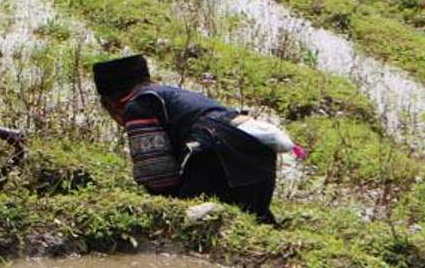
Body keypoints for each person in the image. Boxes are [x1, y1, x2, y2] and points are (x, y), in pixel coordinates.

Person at [94, 55, 289, 224]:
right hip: (256, 154)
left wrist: (162, 203)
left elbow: (157, 175)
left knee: (183, 217)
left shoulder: (139, 105)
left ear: (110, 104)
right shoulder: (172, 95)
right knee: (254, 217)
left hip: (217, 150)